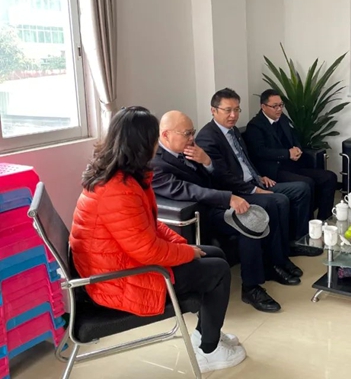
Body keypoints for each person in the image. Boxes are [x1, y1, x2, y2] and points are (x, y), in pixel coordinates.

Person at [69, 106, 245, 373]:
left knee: (214, 254)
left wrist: (184, 246)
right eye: (154, 139)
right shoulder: (117, 190)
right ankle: (209, 352)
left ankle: (206, 335)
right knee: (218, 270)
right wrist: (187, 253)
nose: (157, 146)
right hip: (117, 279)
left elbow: (150, 227)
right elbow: (147, 250)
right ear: (141, 144)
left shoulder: (125, 176)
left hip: (124, 262)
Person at [151, 110, 298, 313]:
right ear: (166, 134)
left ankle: (274, 263)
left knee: (268, 205)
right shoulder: (155, 163)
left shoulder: (189, 148)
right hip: (199, 213)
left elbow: (219, 176)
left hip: (217, 202)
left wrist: (207, 162)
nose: (192, 138)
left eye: (193, 132)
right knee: (247, 222)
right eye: (187, 133)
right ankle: (251, 288)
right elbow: (187, 190)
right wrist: (228, 198)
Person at [195, 88, 319, 257]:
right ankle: (279, 254)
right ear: (213, 110)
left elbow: (245, 160)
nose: (233, 115)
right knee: (279, 200)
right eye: (228, 110)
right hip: (237, 191)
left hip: (254, 181)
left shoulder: (233, 130)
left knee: (302, 189)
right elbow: (222, 176)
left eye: (236, 109)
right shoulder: (208, 137)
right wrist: (255, 189)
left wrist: (258, 175)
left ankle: (297, 241)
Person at [244, 89, 338, 221]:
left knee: (329, 177)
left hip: (293, 165)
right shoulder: (255, 126)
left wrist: (297, 148)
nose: (279, 109)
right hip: (274, 171)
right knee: (307, 182)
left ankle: (324, 220)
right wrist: (287, 153)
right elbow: (260, 152)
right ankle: (307, 224)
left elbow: (294, 137)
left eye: (281, 105)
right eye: (274, 106)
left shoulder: (282, 118)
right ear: (263, 107)